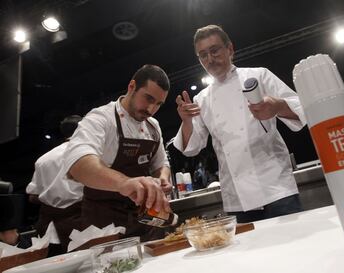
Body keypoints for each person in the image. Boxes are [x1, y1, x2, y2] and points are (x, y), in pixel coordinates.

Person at [173, 25, 306, 223]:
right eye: (203, 55)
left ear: (230, 49)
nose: (209, 59)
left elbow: (301, 109)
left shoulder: (259, 76)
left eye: (214, 50)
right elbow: (191, 147)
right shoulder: (201, 98)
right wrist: (186, 122)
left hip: (277, 188)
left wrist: (277, 106)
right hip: (237, 198)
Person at [64, 64, 172, 241]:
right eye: (148, 99)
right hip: (104, 224)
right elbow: (79, 164)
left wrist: (162, 178)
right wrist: (124, 183)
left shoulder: (153, 127)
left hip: (145, 221)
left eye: (158, 104)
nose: (151, 109)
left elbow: (161, 164)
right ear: (132, 87)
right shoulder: (100, 118)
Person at [26, 115, 83, 252]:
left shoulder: (42, 160)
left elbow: (33, 196)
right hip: (82, 224)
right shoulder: (90, 156)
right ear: (83, 130)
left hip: (49, 228)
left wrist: (52, 195)